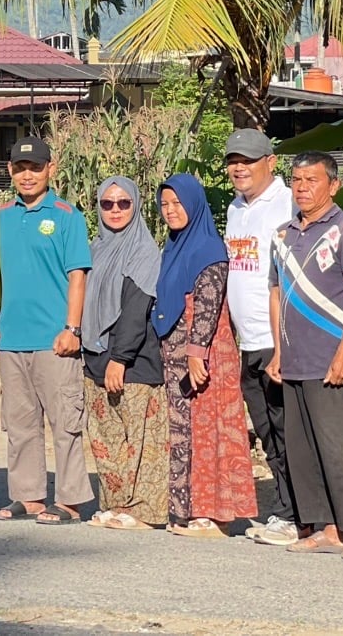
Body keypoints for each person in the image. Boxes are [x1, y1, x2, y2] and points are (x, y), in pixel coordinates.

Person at [268, 151, 343, 561]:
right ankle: (325, 527)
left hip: (334, 357)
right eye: (296, 180)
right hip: (295, 360)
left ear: (332, 185)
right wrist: (279, 351)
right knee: (305, 450)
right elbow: (276, 294)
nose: (302, 188)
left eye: (311, 180)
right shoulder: (282, 235)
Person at [0, 137, 93, 525]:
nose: (27, 175)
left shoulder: (67, 216)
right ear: (12, 172)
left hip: (55, 340)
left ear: (51, 169)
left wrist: (72, 328)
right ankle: (28, 496)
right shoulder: (1, 216)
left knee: (65, 423)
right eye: (20, 168)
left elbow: (77, 276)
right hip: (12, 337)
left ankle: (69, 500)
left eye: (35, 168)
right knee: (19, 425)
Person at [154, 173, 257, 539]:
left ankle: (217, 514)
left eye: (177, 203)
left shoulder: (208, 250)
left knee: (211, 430)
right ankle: (186, 509)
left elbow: (209, 304)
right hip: (176, 355)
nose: (170, 211)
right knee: (185, 432)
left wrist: (197, 354)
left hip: (206, 354)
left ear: (194, 204)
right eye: (164, 204)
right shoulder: (173, 246)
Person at [222, 128, 297, 544]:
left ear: (271, 162)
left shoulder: (286, 203)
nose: (239, 168)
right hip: (246, 339)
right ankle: (285, 508)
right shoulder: (236, 208)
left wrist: (283, 344)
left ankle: (296, 512)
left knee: (287, 429)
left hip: (277, 338)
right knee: (267, 431)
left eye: (248, 160)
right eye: (234, 161)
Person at [81, 175, 166, 532]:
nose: (115, 210)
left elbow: (136, 308)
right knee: (107, 438)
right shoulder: (95, 247)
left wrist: (120, 357)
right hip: (95, 356)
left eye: (123, 203)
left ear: (136, 205)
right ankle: (115, 503)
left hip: (131, 361)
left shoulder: (143, 250)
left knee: (141, 440)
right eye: (107, 203)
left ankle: (144, 509)